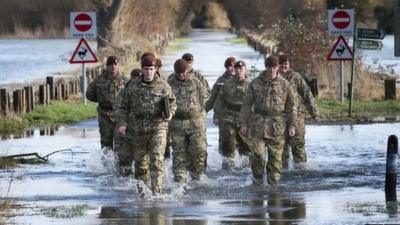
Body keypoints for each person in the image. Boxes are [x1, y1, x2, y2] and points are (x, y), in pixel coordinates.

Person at [115, 54, 177, 194]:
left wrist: (170, 114)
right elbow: (122, 107)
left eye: (151, 69)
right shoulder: (132, 87)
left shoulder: (163, 86)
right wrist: (122, 123)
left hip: (158, 127)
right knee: (141, 165)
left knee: (156, 160)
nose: (149, 72)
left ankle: (157, 193)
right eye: (146, 69)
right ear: (141, 69)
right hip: (138, 130)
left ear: (155, 69)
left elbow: (173, 102)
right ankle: (142, 193)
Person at [239, 55, 296, 185]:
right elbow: (246, 104)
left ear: (278, 68)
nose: (272, 70)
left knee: (275, 160)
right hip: (258, 125)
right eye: (270, 67)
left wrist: (292, 125)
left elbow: (292, 107)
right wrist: (243, 123)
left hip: (277, 127)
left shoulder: (285, 85)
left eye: (274, 67)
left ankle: (273, 187)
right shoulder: (255, 83)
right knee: (258, 155)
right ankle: (257, 181)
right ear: (266, 67)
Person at [167, 59, 208, 183]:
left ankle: (197, 175)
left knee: (199, 150)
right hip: (177, 124)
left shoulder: (195, 82)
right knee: (179, 153)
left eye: (183, 72)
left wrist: (199, 114)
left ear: (187, 70)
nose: (181, 75)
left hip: (195, 123)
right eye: (178, 73)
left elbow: (204, 98)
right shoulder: (169, 83)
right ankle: (180, 179)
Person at [278, 54, 320, 169]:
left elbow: (307, 94)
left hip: (297, 117)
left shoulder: (295, 77)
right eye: (281, 64)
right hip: (279, 118)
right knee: (282, 148)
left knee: (298, 145)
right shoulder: (274, 78)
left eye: (285, 64)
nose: (283, 66)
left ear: (289, 64)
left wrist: (314, 113)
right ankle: (284, 172)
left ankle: (301, 172)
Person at [214, 60, 251, 170]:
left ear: (245, 70)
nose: (239, 71)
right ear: (234, 70)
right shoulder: (227, 83)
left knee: (246, 145)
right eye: (237, 69)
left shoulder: (251, 85)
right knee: (228, 140)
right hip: (229, 115)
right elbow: (220, 100)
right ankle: (228, 167)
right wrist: (216, 114)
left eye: (241, 69)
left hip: (244, 116)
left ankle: (246, 167)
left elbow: (256, 102)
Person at [86, 55, 127, 149]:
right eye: (110, 65)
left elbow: (129, 97)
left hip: (119, 116)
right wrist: (102, 100)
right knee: (106, 145)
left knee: (120, 144)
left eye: (115, 64)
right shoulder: (99, 80)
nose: (113, 67)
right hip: (104, 115)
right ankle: (105, 163)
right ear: (107, 66)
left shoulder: (124, 80)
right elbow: (89, 95)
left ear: (118, 65)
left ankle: (118, 163)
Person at [113, 67, 142, 176]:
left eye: (138, 79)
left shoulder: (144, 91)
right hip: (125, 128)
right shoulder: (124, 91)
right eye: (134, 79)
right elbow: (117, 108)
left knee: (141, 158)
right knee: (124, 158)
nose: (135, 81)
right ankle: (124, 179)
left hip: (140, 129)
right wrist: (123, 122)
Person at [206, 56, 236, 122]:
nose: (230, 68)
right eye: (228, 67)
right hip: (224, 114)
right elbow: (213, 97)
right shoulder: (221, 80)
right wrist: (204, 111)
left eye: (232, 66)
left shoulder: (243, 79)